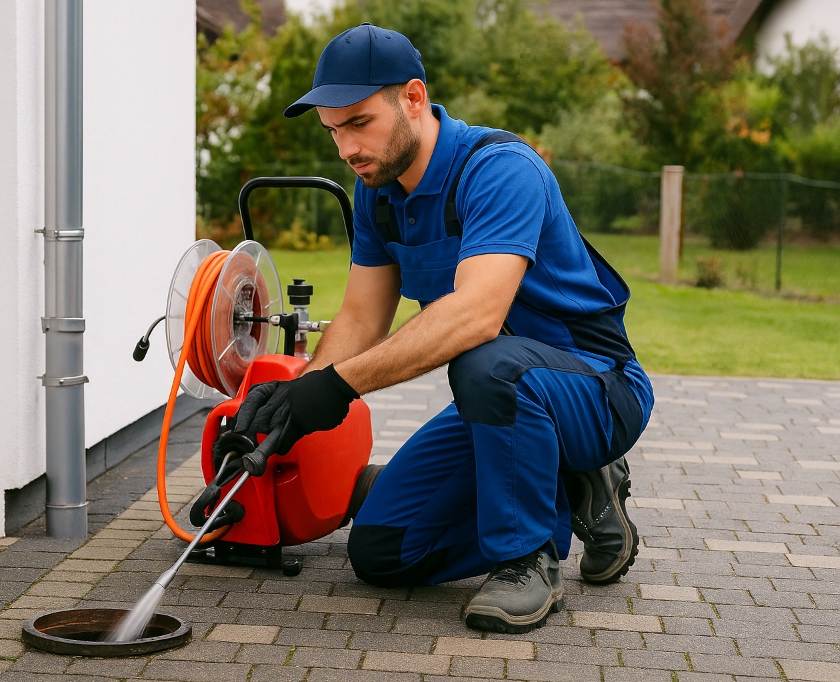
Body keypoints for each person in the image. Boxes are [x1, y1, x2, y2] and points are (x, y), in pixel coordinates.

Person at [229, 23, 655, 634]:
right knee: (381, 550)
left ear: (412, 97)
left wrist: (339, 387)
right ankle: (573, 487)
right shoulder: (378, 192)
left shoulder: (501, 169)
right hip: (505, 404)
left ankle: (526, 559)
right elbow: (359, 317)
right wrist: (294, 400)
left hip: (596, 387)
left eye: (358, 123)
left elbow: (476, 316)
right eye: (333, 132)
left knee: (484, 361)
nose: (346, 148)